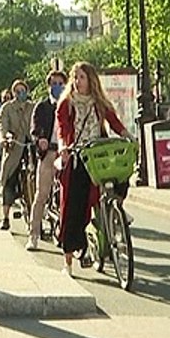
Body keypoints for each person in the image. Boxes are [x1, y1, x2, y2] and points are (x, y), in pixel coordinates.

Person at [55, 62, 129, 276]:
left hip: (99, 155)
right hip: (78, 156)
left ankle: (116, 212)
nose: (77, 82)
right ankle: (68, 261)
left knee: (121, 178)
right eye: (75, 77)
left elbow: (114, 122)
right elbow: (62, 129)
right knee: (72, 208)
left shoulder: (99, 102)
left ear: (91, 80)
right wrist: (63, 148)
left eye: (82, 77)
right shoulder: (66, 104)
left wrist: (127, 136)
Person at [26, 70, 67, 250]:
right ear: (48, 86)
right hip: (49, 153)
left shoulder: (69, 105)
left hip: (66, 154)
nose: (57, 87)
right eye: (54, 83)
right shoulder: (42, 107)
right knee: (42, 194)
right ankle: (33, 234)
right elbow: (34, 128)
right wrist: (40, 139)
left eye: (61, 83)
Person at [0, 79, 35, 230]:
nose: (21, 94)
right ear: (13, 93)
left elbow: (38, 122)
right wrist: (5, 138)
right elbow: (1, 124)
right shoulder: (7, 108)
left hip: (32, 146)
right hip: (15, 147)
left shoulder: (33, 107)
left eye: (23, 91)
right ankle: (5, 217)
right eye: (17, 91)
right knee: (9, 179)